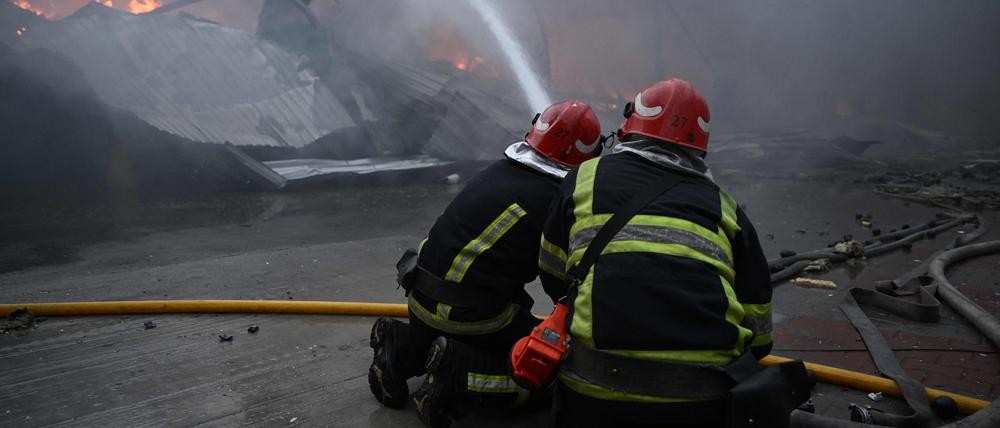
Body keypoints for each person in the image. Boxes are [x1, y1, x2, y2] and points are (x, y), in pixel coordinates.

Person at [536, 79, 775, 427]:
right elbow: (761, 333)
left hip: (594, 389)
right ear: (700, 147)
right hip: (702, 398)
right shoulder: (725, 206)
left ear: (631, 126)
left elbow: (552, 270)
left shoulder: (586, 176)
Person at [368, 100, 603, 427]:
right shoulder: (554, 198)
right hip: (468, 315)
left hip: (420, 297)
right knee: (544, 371)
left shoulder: (500, 170)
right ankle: (456, 377)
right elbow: (559, 279)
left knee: (446, 330)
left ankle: (401, 347)